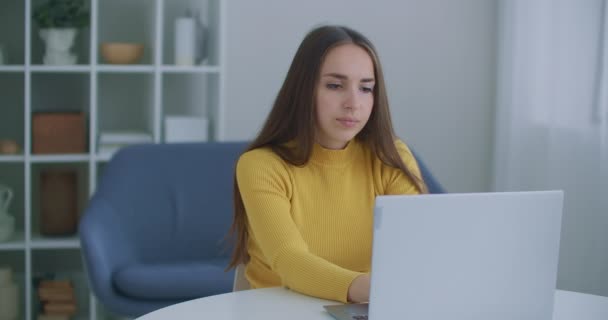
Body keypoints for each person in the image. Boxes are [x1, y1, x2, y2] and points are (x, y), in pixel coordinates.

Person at [227, 25, 427, 303]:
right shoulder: (261, 165)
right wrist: (377, 291)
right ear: (303, 90)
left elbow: (419, 245)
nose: (353, 103)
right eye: (335, 85)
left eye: (366, 88)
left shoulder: (391, 156)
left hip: (365, 308)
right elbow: (290, 261)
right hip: (279, 310)